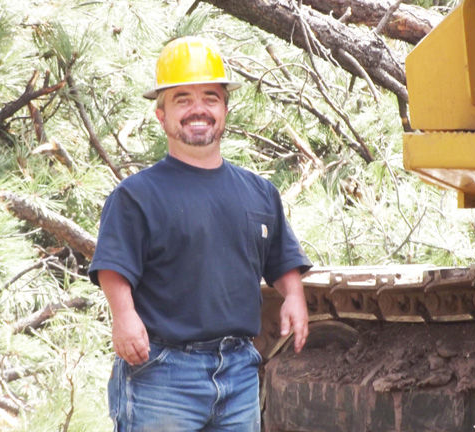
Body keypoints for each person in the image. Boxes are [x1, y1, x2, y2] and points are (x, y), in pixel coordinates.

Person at [89, 36, 312, 432]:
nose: (199, 109)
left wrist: (293, 296)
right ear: (162, 116)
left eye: (210, 97)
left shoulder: (259, 192)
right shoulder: (137, 195)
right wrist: (123, 316)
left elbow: (280, 257)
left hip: (240, 371)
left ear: (225, 110)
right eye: (182, 99)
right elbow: (113, 265)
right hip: (161, 373)